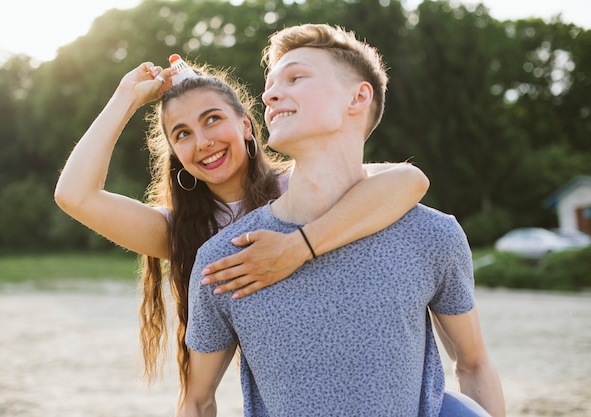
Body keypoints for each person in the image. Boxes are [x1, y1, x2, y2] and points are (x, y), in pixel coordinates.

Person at [182, 24, 506, 417]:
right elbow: (197, 401)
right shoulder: (227, 258)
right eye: (270, 85)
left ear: (358, 97)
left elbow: (473, 365)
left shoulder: (432, 235)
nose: (269, 94)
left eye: (296, 77)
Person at [54, 59, 429, 390]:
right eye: (182, 134)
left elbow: (409, 181)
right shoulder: (182, 233)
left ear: (247, 126)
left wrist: (298, 246)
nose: (202, 142)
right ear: (176, 154)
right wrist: (126, 97)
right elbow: (74, 195)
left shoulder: (299, 186)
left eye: (212, 119)